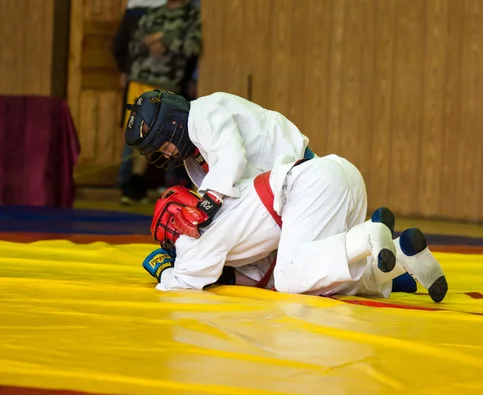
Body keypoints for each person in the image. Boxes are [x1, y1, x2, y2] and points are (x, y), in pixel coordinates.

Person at [140, 153, 448, 302]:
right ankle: (400, 254)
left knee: (290, 278)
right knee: (324, 281)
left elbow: (181, 284)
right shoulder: (221, 194)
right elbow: (254, 271)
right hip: (333, 172)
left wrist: (165, 270)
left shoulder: (194, 241)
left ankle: (368, 235)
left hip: (309, 189)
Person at [124, 88, 315, 230]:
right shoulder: (193, 150)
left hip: (303, 174)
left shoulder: (206, 112)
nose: (166, 155)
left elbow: (232, 158)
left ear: (174, 125)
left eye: (165, 147)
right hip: (279, 189)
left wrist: (205, 207)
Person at [119, 0, 201, 205]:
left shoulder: (192, 16)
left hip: (166, 83)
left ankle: (154, 186)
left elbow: (193, 46)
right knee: (133, 129)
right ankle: (128, 184)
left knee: (160, 133)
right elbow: (133, 44)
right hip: (140, 79)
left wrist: (163, 42)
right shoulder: (153, 14)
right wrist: (149, 43)